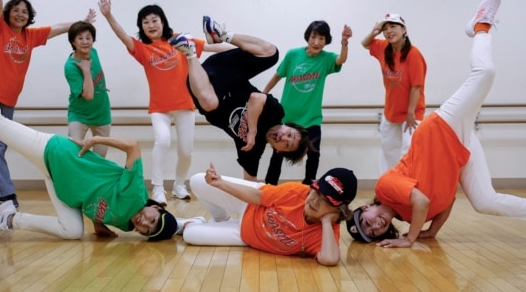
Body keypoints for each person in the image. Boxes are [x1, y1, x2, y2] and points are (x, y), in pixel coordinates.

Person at [346, 0, 526, 247]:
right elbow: (446, 203)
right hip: (458, 151)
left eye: (367, 220)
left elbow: (423, 201)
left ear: (366, 207)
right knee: (484, 201)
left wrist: (411, 238)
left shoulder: (385, 189)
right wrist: (432, 231)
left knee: (484, 73)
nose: (375, 224)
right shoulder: (405, 215)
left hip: (439, 130)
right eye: (373, 231)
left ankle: (481, 27)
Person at [0, 38, 180, 242]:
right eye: (152, 219)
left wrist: (98, 225)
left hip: (62, 186)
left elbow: (101, 199)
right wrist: (96, 139)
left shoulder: (127, 225)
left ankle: (9, 217)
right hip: (56, 153)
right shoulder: (137, 194)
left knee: (73, 232)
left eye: (146, 230)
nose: (144, 223)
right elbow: (133, 146)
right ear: (156, 207)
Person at [0, 0, 95, 207]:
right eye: (16, 10)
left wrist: (81, 22)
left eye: (25, 12)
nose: (20, 14)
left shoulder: (30, 36)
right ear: (9, 13)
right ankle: (3, 195)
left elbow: (56, 28)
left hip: (9, 98)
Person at [98, 0, 228, 205]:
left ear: (163, 21)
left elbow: (213, 47)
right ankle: (158, 189)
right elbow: (123, 37)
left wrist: (241, 47)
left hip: (185, 104)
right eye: (145, 22)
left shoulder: (180, 40)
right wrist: (108, 15)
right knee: (163, 141)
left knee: (186, 150)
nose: (150, 25)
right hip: (160, 108)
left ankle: (178, 186)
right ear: (141, 26)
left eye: (154, 20)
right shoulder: (142, 49)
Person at [170, 16, 310, 181]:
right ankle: (222, 35)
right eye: (290, 135)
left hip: (203, 88)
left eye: (287, 144)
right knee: (272, 53)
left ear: (279, 151)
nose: (283, 138)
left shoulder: (252, 151)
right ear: (288, 125)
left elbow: (250, 184)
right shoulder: (276, 113)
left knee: (210, 103)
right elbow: (255, 98)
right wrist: (252, 131)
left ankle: (190, 51)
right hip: (225, 73)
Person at [182, 163, 357, 266]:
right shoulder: (297, 192)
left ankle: (204, 223)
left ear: (339, 210)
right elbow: (257, 196)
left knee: (190, 234)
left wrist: (327, 222)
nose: (315, 201)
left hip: (245, 235)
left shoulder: (326, 233)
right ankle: (221, 219)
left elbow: (330, 259)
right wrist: (221, 184)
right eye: (316, 192)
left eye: (326, 200)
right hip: (251, 204)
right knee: (197, 180)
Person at [263, 21, 352, 185]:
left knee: (314, 152)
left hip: (312, 117)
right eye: (314, 37)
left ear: (326, 41)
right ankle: (269, 186)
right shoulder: (293, 55)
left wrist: (344, 42)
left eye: (321, 38)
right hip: (287, 117)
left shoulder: (326, 59)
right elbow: (277, 75)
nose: (317, 42)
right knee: (278, 153)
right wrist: (263, 94)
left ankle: (308, 187)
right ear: (308, 37)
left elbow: (341, 60)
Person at [361, 13, 427, 175]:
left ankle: (407, 188)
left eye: (393, 26)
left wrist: (411, 112)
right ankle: (388, 187)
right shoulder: (383, 48)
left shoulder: (413, 53)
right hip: (391, 112)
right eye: (385, 28)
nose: (389, 31)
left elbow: (416, 86)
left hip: (412, 114)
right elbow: (364, 43)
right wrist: (374, 32)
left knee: (408, 152)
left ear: (404, 29)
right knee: (388, 151)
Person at [64, 21, 111, 157]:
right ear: (73, 41)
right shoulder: (70, 66)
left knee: (100, 158)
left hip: (102, 114)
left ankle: (96, 179)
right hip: (79, 115)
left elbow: (83, 31)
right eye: (80, 38)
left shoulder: (93, 52)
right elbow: (88, 96)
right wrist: (86, 71)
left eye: (88, 38)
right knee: (76, 155)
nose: (85, 42)